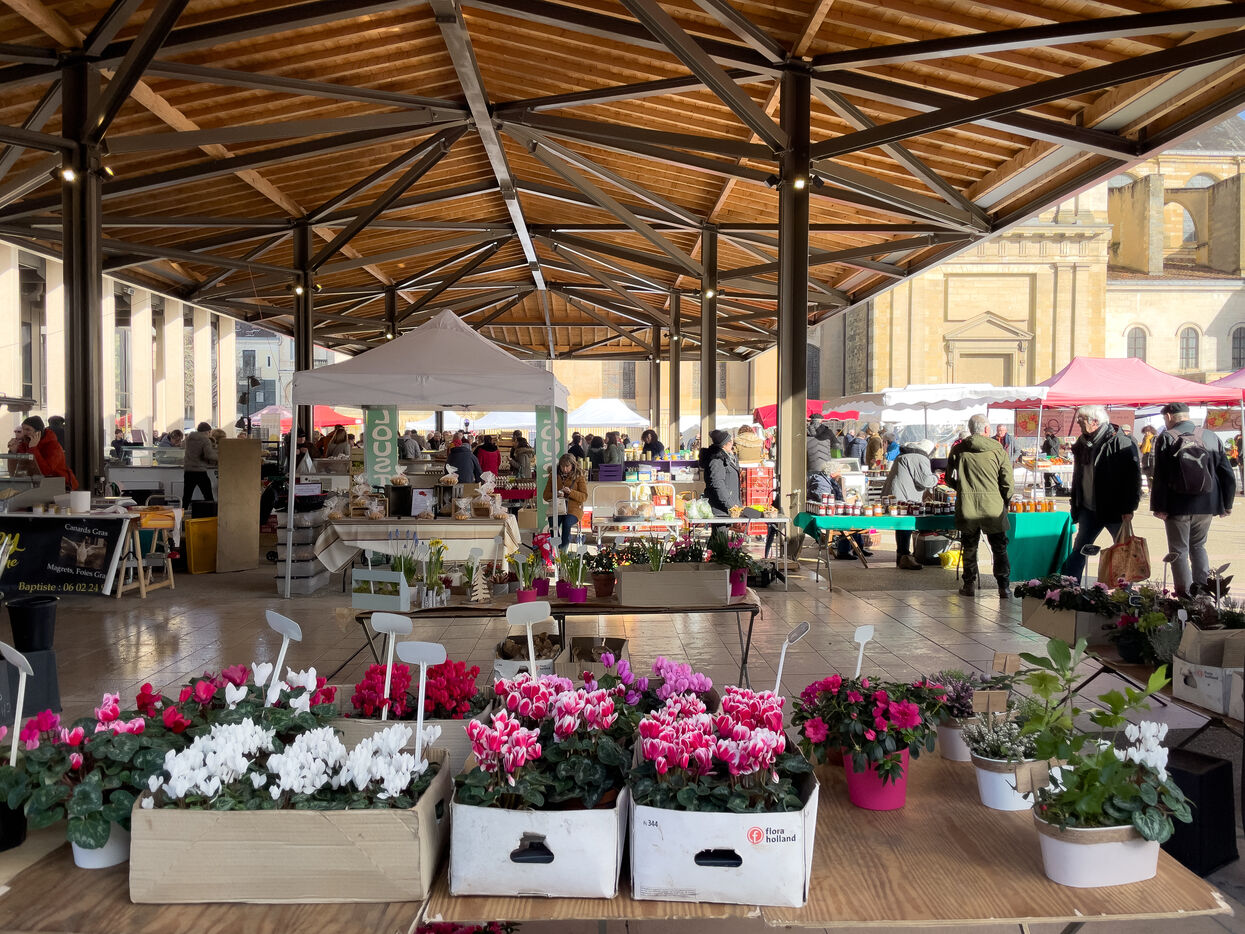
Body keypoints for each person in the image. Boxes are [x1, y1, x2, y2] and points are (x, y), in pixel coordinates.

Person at [1151, 402, 1236, 596]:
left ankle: (1185, 595)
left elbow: (1160, 475)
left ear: (1169, 416)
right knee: (1198, 546)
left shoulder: (1167, 437)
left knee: (1179, 550)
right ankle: (1203, 592)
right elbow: (1227, 473)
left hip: (1177, 504)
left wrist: (1159, 506)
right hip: (1207, 503)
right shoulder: (1210, 436)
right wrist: (1227, 504)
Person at [1059, 405, 1141, 581]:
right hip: (1088, 509)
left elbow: (1133, 478)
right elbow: (1078, 477)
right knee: (1079, 549)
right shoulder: (1082, 443)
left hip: (1115, 509)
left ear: (1094, 422)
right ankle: (1069, 587)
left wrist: (1129, 507)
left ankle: (1124, 589)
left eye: (1081, 420)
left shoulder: (1120, 442)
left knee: (1123, 549)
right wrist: (1076, 505)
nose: (1078, 423)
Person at [946, 414, 1013, 598]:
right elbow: (1008, 482)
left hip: (967, 505)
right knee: (999, 547)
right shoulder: (998, 449)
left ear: (970, 429)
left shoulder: (958, 449)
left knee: (969, 547)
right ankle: (1004, 587)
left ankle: (969, 585)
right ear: (986, 429)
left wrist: (962, 489)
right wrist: (1004, 500)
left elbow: (948, 478)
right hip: (993, 506)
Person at [882, 439, 938, 569]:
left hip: (895, 495)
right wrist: (936, 477)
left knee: (902, 526)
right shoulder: (919, 457)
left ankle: (902, 556)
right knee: (905, 525)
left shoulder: (905, 455)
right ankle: (905, 556)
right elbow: (925, 480)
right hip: (904, 497)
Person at [17, 415, 77, 490]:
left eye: (28, 429)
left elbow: (46, 471)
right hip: (38, 485)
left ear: (38, 433)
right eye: (23, 429)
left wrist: (33, 449)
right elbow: (18, 470)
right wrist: (13, 451)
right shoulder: (25, 444)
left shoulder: (53, 446)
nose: (24, 433)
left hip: (62, 486)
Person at [543, 454, 587, 551]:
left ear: (573, 465)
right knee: (553, 523)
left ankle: (563, 551)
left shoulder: (579, 476)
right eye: (562, 466)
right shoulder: (553, 476)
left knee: (567, 523)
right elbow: (546, 495)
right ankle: (557, 549)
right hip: (557, 507)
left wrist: (570, 493)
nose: (564, 469)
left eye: (567, 466)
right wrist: (557, 494)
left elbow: (584, 496)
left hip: (573, 509)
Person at [700, 429, 740, 517]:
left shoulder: (727, 457)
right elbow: (718, 484)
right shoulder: (717, 460)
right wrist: (730, 505)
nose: (732, 444)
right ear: (725, 444)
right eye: (731, 441)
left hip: (728, 507)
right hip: (721, 509)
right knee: (721, 527)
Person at [182, 421, 217, 502]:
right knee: (208, 495)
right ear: (207, 431)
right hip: (200, 471)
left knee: (187, 495)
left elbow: (182, 446)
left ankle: (183, 509)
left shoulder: (188, 438)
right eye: (209, 432)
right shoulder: (205, 440)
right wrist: (220, 458)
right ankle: (209, 510)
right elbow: (208, 455)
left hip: (188, 470)